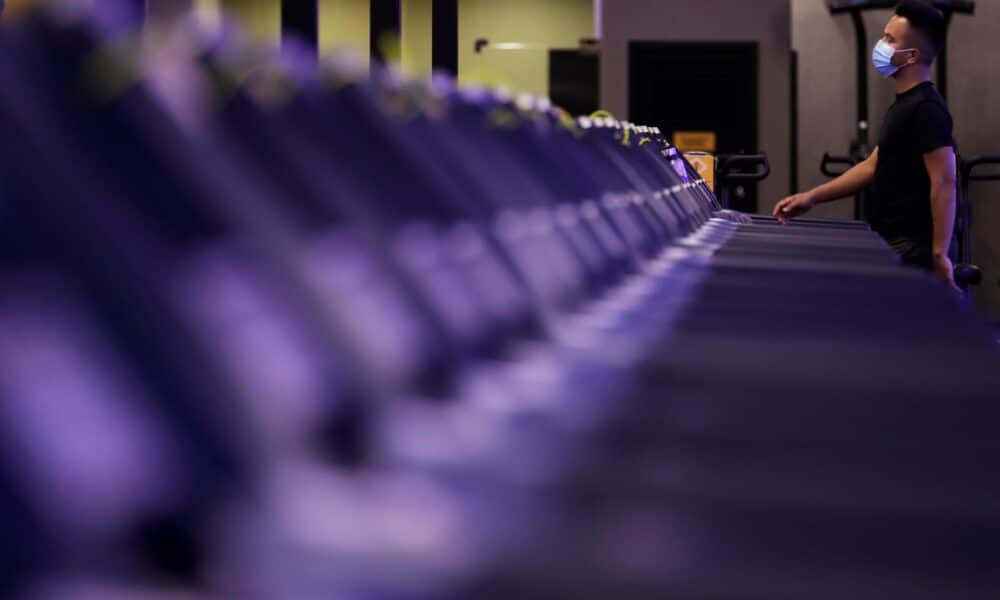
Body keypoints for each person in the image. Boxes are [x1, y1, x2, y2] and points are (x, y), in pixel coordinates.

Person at [774, 0, 959, 291]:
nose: (881, 45)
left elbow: (945, 180)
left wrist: (939, 254)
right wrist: (810, 197)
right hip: (893, 239)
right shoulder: (904, 105)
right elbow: (872, 165)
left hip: (915, 247)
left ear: (910, 55)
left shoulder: (926, 108)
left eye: (889, 40)